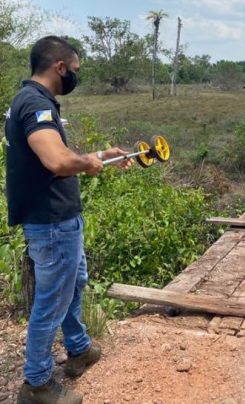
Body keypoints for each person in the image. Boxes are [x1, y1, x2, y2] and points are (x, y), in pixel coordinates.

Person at [5, 36, 131, 404]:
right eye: (74, 70)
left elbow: (59, 155)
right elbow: (58, 161)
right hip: (52, 223)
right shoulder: (34, 104)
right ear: (60, 67)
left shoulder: (34, 101)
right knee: (53, 300)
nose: (75, 76)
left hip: (60, 221)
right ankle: (37, 384)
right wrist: (86, 163)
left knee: (73, 285)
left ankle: (78, 349)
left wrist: (98, 155)